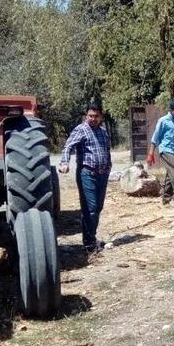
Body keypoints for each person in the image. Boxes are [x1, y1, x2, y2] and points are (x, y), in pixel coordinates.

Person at [59, 104, 113, 254]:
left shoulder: (103, 132)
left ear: (101, 117)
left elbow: (107, 151)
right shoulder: (80, 129)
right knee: (91, 208)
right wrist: (64, 162)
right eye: (90, 116)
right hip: (87, 174)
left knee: (98, 207)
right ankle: (89, 243)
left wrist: (109, 167)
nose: (93, 119)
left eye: (96, 116)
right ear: (86, 116)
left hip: (103, 174)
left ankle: (91, 238)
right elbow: (68, 146)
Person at [147, 100, 174, 206]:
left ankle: (166, 200)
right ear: (171, 110)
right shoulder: (163, 121)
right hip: (165, 151)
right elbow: (155, 137)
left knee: (170, 176)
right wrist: (151, 154)